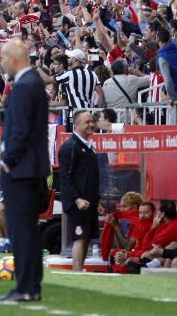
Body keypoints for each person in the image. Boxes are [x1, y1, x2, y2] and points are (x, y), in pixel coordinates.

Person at [0, 39, 49, 303]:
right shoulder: (32, 84)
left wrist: (8, 161)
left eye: (3, 57)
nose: (0, 62)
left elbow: (20, 130)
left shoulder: (26, 86)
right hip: (28, 168)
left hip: (21, 169)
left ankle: (26, 287)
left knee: (21, 230)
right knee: (26, 229)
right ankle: (30, 286)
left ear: (15, 59)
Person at [57, 109, 100, 271]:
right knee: (80, 237)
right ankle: (76, 272)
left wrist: (97, 199)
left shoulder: (89, 146)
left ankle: (80, 269)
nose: (91, 124)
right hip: (79, 203)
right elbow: (65, 177)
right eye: (87, 122)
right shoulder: (70, 147)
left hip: (90, 201)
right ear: (76, 125)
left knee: (87, 237)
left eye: (92, 121)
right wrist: (76, 199)